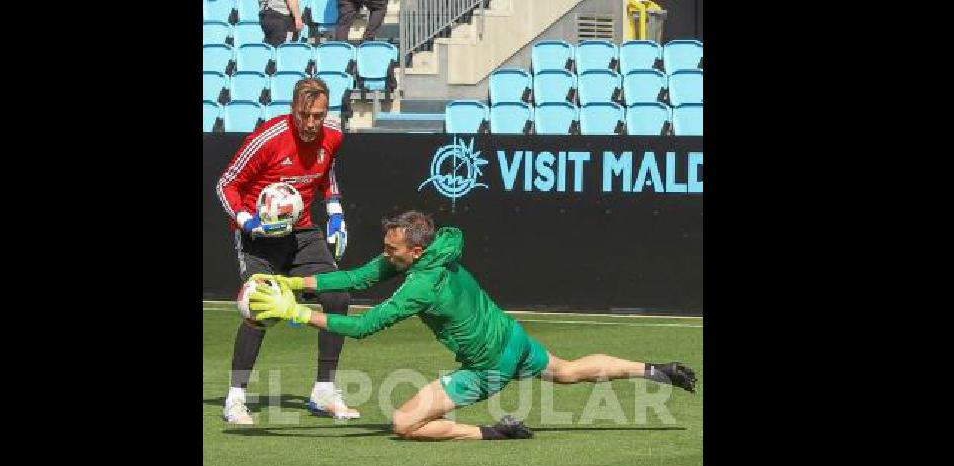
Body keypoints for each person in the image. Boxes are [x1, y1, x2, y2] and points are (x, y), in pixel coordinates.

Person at [245, 211, 697, 440]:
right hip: (512, 336)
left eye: (391, 248)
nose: (385, 253)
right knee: (570, 371)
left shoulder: (420, 285)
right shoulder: (433, 249)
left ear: (414, 251)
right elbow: (358, 277)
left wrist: (296, 313)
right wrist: (294, 280)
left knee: (403, 424)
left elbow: (364, 328)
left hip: (488, 367)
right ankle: (655, 369)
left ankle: (490, 432)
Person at [215, 76, 358, 424]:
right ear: (293, 109)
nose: (311, 124)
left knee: (337, 294)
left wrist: (336, 212)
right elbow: (225, 184)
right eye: (305, 115)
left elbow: (327, 174)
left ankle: (324, 390)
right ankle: (235, 399)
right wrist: (246, 219)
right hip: (258, 236)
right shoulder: (268, 139)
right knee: (259, 305)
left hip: (302, 232)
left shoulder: (333, 136)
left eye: (318, 116)